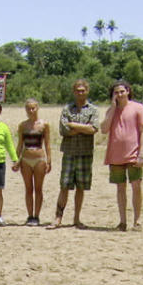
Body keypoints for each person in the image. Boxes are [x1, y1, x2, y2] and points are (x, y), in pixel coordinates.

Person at [49, 79, 98, 230]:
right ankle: (58, 218)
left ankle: (77, 219)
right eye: (78, 90)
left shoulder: (93, 110)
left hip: (85, 153)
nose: (80, 93)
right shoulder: (66, 109)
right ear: (74, 91)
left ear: (87, 91)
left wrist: (74, 126)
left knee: (81, 187)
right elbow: (64, 130)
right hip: (69, 152)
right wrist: (84, 128)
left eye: (83, 90)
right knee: (64, 185)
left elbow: (93, 129)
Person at [100, 80, 143, 232]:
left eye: (122, 91)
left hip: (133, 154)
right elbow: (104, 129)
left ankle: (137, 221)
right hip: (115, 155)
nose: (119, 95)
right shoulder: (111, 110)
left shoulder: (138, 108)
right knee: (120, 188)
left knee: (136, 186)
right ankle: (122, 222)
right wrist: (113, 108)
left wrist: (142, 153)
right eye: (116, 92)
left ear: (128, 91)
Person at [14, 98, 51, 226]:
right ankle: (30, 216)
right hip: (26, 159)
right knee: (28, 188)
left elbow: (47, 144)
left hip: (39, 158)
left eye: (33, 108)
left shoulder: (44, 124)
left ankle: (37, 215)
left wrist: (49, 161)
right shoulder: (23, 125)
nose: (31, 110)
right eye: (28, 108)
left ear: (37, 108)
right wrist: (15, 159)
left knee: (39, 189)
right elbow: (20, 144)